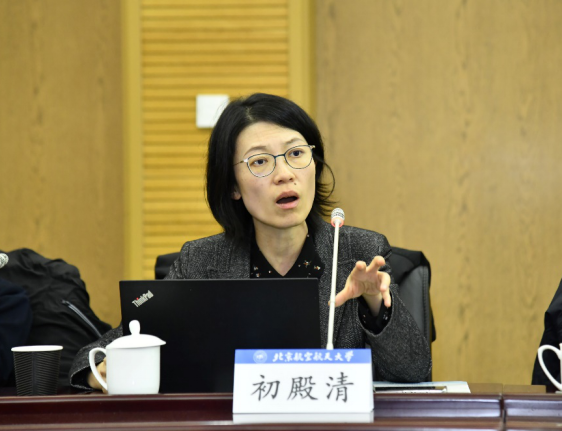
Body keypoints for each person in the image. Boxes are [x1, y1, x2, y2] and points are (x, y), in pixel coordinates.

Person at [69, 93, 431, 391]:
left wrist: (375, 304)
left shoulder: (358, 252)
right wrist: (98, 373)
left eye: (296, 153)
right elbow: (104, 350)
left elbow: (414, 371)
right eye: (260, 162)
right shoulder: (202, 262)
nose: (285, 174)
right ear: (233, 186)